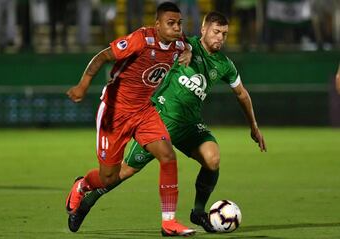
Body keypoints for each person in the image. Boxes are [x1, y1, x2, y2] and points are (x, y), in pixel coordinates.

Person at [70, 11, 267, 233]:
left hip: (190, 125)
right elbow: (162, 42)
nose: (220, 37)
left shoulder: (225, 64)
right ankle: (87, 201)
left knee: (213, 159)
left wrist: (254, 127)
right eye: (216, 32)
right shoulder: (181, 44)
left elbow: (241, 94)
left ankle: (198, 212)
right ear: (203, 30)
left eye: (224, 33)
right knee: (122, 172)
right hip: (159, 118)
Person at [65, 2, 195, 237]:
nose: (176, 27)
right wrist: (83, 85)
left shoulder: (179, 42)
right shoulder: (140, 40)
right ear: (157, 25)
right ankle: (83, 185)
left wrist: (188, 52)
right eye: (171, 23)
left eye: (179, 23)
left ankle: (169, 222)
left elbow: (187, 45)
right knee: (108, 177)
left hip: (144, 111)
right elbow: (102, 56)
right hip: (115, 112)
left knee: (167, 155)